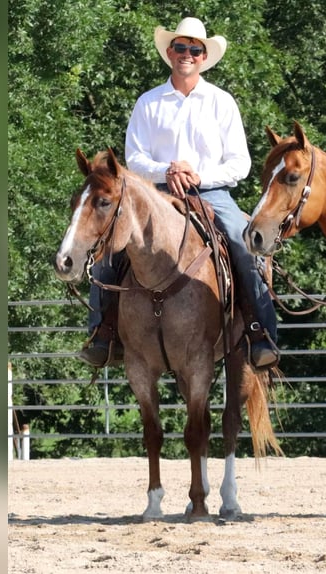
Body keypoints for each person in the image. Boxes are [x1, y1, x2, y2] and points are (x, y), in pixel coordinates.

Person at [78, 16, 279, 370]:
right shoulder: (148, 102)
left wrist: (198, 174)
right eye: (181, 47)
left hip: (211, 193)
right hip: (156, 195)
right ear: (170, 52)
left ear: (204, 57)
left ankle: (259, 332)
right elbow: (134, 157)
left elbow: (240, 163)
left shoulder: (221, 102)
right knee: (109, 251)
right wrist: (167, 170)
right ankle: (103, 333)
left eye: (195, 49)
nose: (187, 54)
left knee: (243, 244)